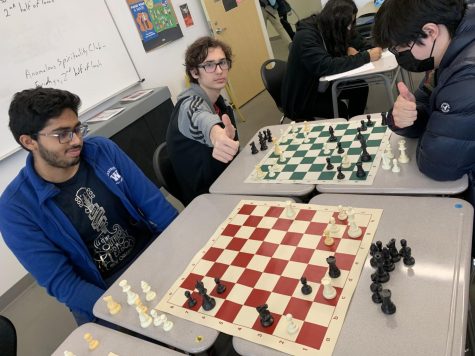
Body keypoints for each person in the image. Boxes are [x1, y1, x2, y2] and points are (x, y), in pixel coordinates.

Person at [0, 87, 178, 325]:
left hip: (151, 253)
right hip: (102, 290)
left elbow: (156, 205)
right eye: (62, 134)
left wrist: (185, 249)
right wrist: (129, 310)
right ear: (29, 141)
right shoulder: (15, 209)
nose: (76, 140)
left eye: (76, 129)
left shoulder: (102, 150)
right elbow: (65, 284)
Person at [372, 0, 475, 215]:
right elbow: (424, 102)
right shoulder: (450, 49)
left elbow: (438, 164)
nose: (401, 57)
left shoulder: (468, 75)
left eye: (401, 49)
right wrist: (402, 116)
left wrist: (428, 122)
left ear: (430, 31)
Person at [166, 37, 239, 206]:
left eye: (223, 62)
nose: (219, 70)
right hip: (209, 199)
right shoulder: (189, 105)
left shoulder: (219, 102)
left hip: (224, 178)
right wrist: (216, 134)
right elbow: (201, 118)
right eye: (209, 65)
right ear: (194, 72)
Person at [281, 0, 382, 121]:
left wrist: (378, 44)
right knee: (340, 109)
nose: (350, 28)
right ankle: (346, 129)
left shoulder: (333, 28)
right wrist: (366, 56)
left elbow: (358, 41)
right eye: (348, 25)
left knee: (360, 88)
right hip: (303, 97)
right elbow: (326, 66)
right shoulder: (306, 36)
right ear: (336, 22)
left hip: (321, 86)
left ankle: (355, 124)